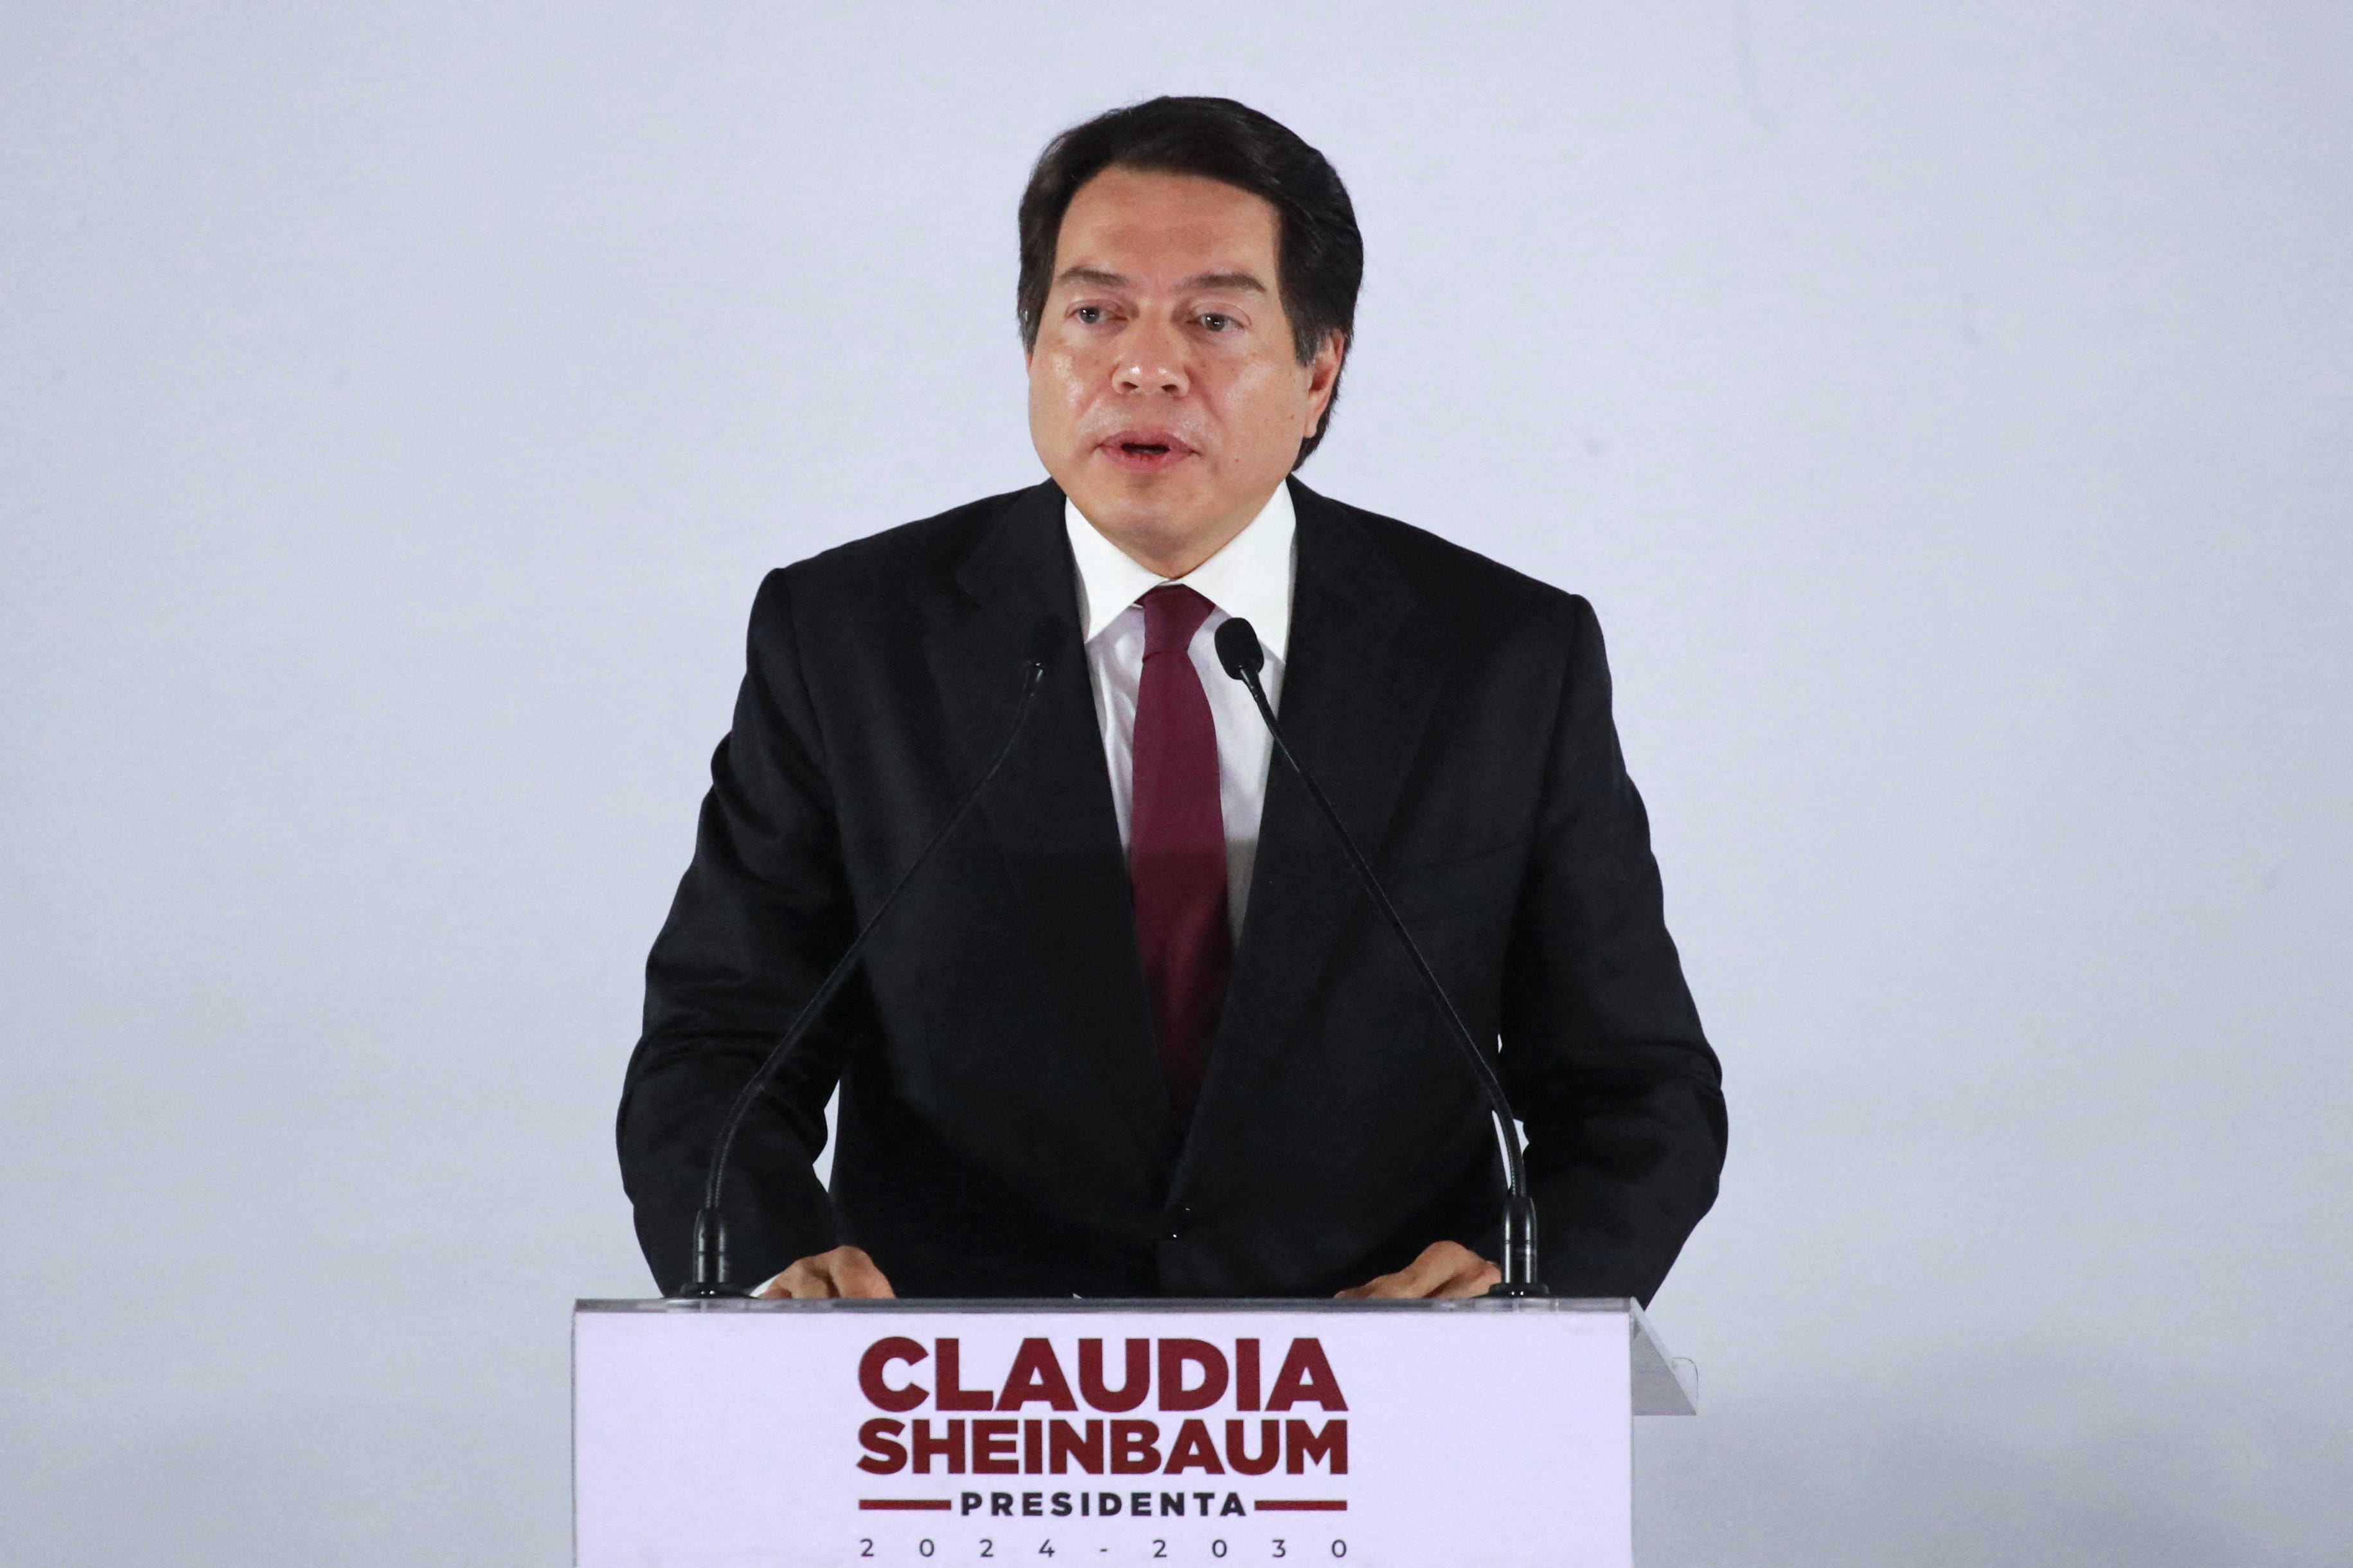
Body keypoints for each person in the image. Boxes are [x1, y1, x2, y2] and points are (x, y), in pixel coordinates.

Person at [617, 96, 1725, 1303]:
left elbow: (1633, 1088)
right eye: (1094, 314)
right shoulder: (851, 639)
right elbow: (719, 1048)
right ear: (1035, 346)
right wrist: (777, 1270)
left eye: (1212, 318)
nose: (1144, 366)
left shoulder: (1501, 657)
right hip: (962, 1409)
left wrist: (1523, 1299)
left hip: (1374, 1405)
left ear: (1319, 368)